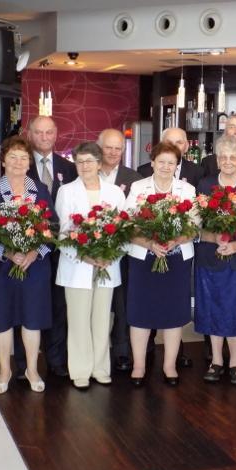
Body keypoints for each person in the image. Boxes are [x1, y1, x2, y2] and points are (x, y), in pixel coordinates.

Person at [0, 136, 54, 394]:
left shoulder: (40, 189)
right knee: (2, 319)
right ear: (3, 161)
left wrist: (33, 253)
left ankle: (32, 369)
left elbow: (52, 227)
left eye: (24, 158)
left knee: (32, 319)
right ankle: (4, 370)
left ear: (30, 162)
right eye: (13, 157)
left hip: (34, 267)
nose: (18, 162)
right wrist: (9, 253)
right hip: (1, 267)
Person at [124, 142, 198, 387]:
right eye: (161, 161)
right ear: (152, 163)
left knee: (173, 313)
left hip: (176, 260)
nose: (166, 166)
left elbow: (194, 227)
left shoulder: (187, 189)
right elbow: (127, 224)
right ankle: (139, 366)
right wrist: (150, 244)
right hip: (143, 259)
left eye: (171, 163)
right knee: (140, 313)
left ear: (177, 166)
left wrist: (175, 240)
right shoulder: (138, 187)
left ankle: (169, 366)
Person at [55, 142, 126, 390]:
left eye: (89, 161)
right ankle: (81, 370)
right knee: (78, 320)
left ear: (99, 163)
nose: (84, 166)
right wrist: (84, 256)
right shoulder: (66, 191)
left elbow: (124, 230)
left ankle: (100, 368)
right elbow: (63, 232)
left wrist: (109, 255)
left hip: (107, 265)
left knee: (102, 319)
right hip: (77, 266)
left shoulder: (115, 192)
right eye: (79, 162)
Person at [195, 135, 236, 385]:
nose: (227, 161)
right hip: (211, 258)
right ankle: (216, 360)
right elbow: (195, 225)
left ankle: (235, 361)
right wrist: (214, 238)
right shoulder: (205, 185)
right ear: (216, 160)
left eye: (232, 157)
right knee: (213, 307)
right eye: (222, 157)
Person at [22, 115, 77, 379]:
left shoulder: (69, 168)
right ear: (29, 134)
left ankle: (56, 361)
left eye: (49, 132)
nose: (44, 137)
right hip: (29, 252)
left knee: (58, 308)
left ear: (56, 135)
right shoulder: (20, 164)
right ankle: (24, 364)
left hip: (61, 251)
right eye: (39, 132)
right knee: (28, 307)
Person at [97, 128, 143, 372]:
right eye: (109, 147)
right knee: (94, 305)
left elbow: (137, 216)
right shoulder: (87, 170)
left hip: (123, 251)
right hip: (90, 251)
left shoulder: (133, 177)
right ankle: (94, 352)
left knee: (122, 303)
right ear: (99, 148)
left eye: (118, 148)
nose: (113, 152)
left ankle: (122, 351)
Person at [137, 127, 204, 188]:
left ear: (186, 147)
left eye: (179, 142)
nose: (174, 146)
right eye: (169, 142)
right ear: (161, 145)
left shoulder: (198, 171)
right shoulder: (143, 171)